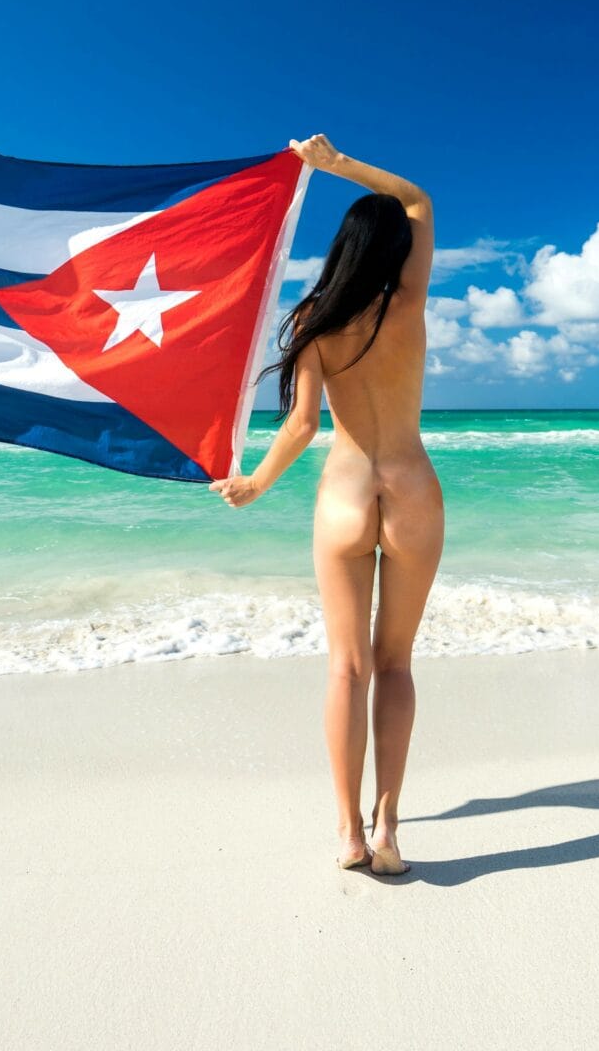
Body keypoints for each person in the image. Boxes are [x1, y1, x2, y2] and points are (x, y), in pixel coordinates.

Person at [210, 133, 444, 877]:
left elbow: (303, 425)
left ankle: (347, 833)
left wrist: (255, 483)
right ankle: (388, 827)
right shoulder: (408, 302)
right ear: (395, 250)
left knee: (346, 668)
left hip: (345, 494)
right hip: (412, 490)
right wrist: (337, 165)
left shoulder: (315, 319)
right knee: (395, 664)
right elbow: (417, 198)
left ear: (342, 251)